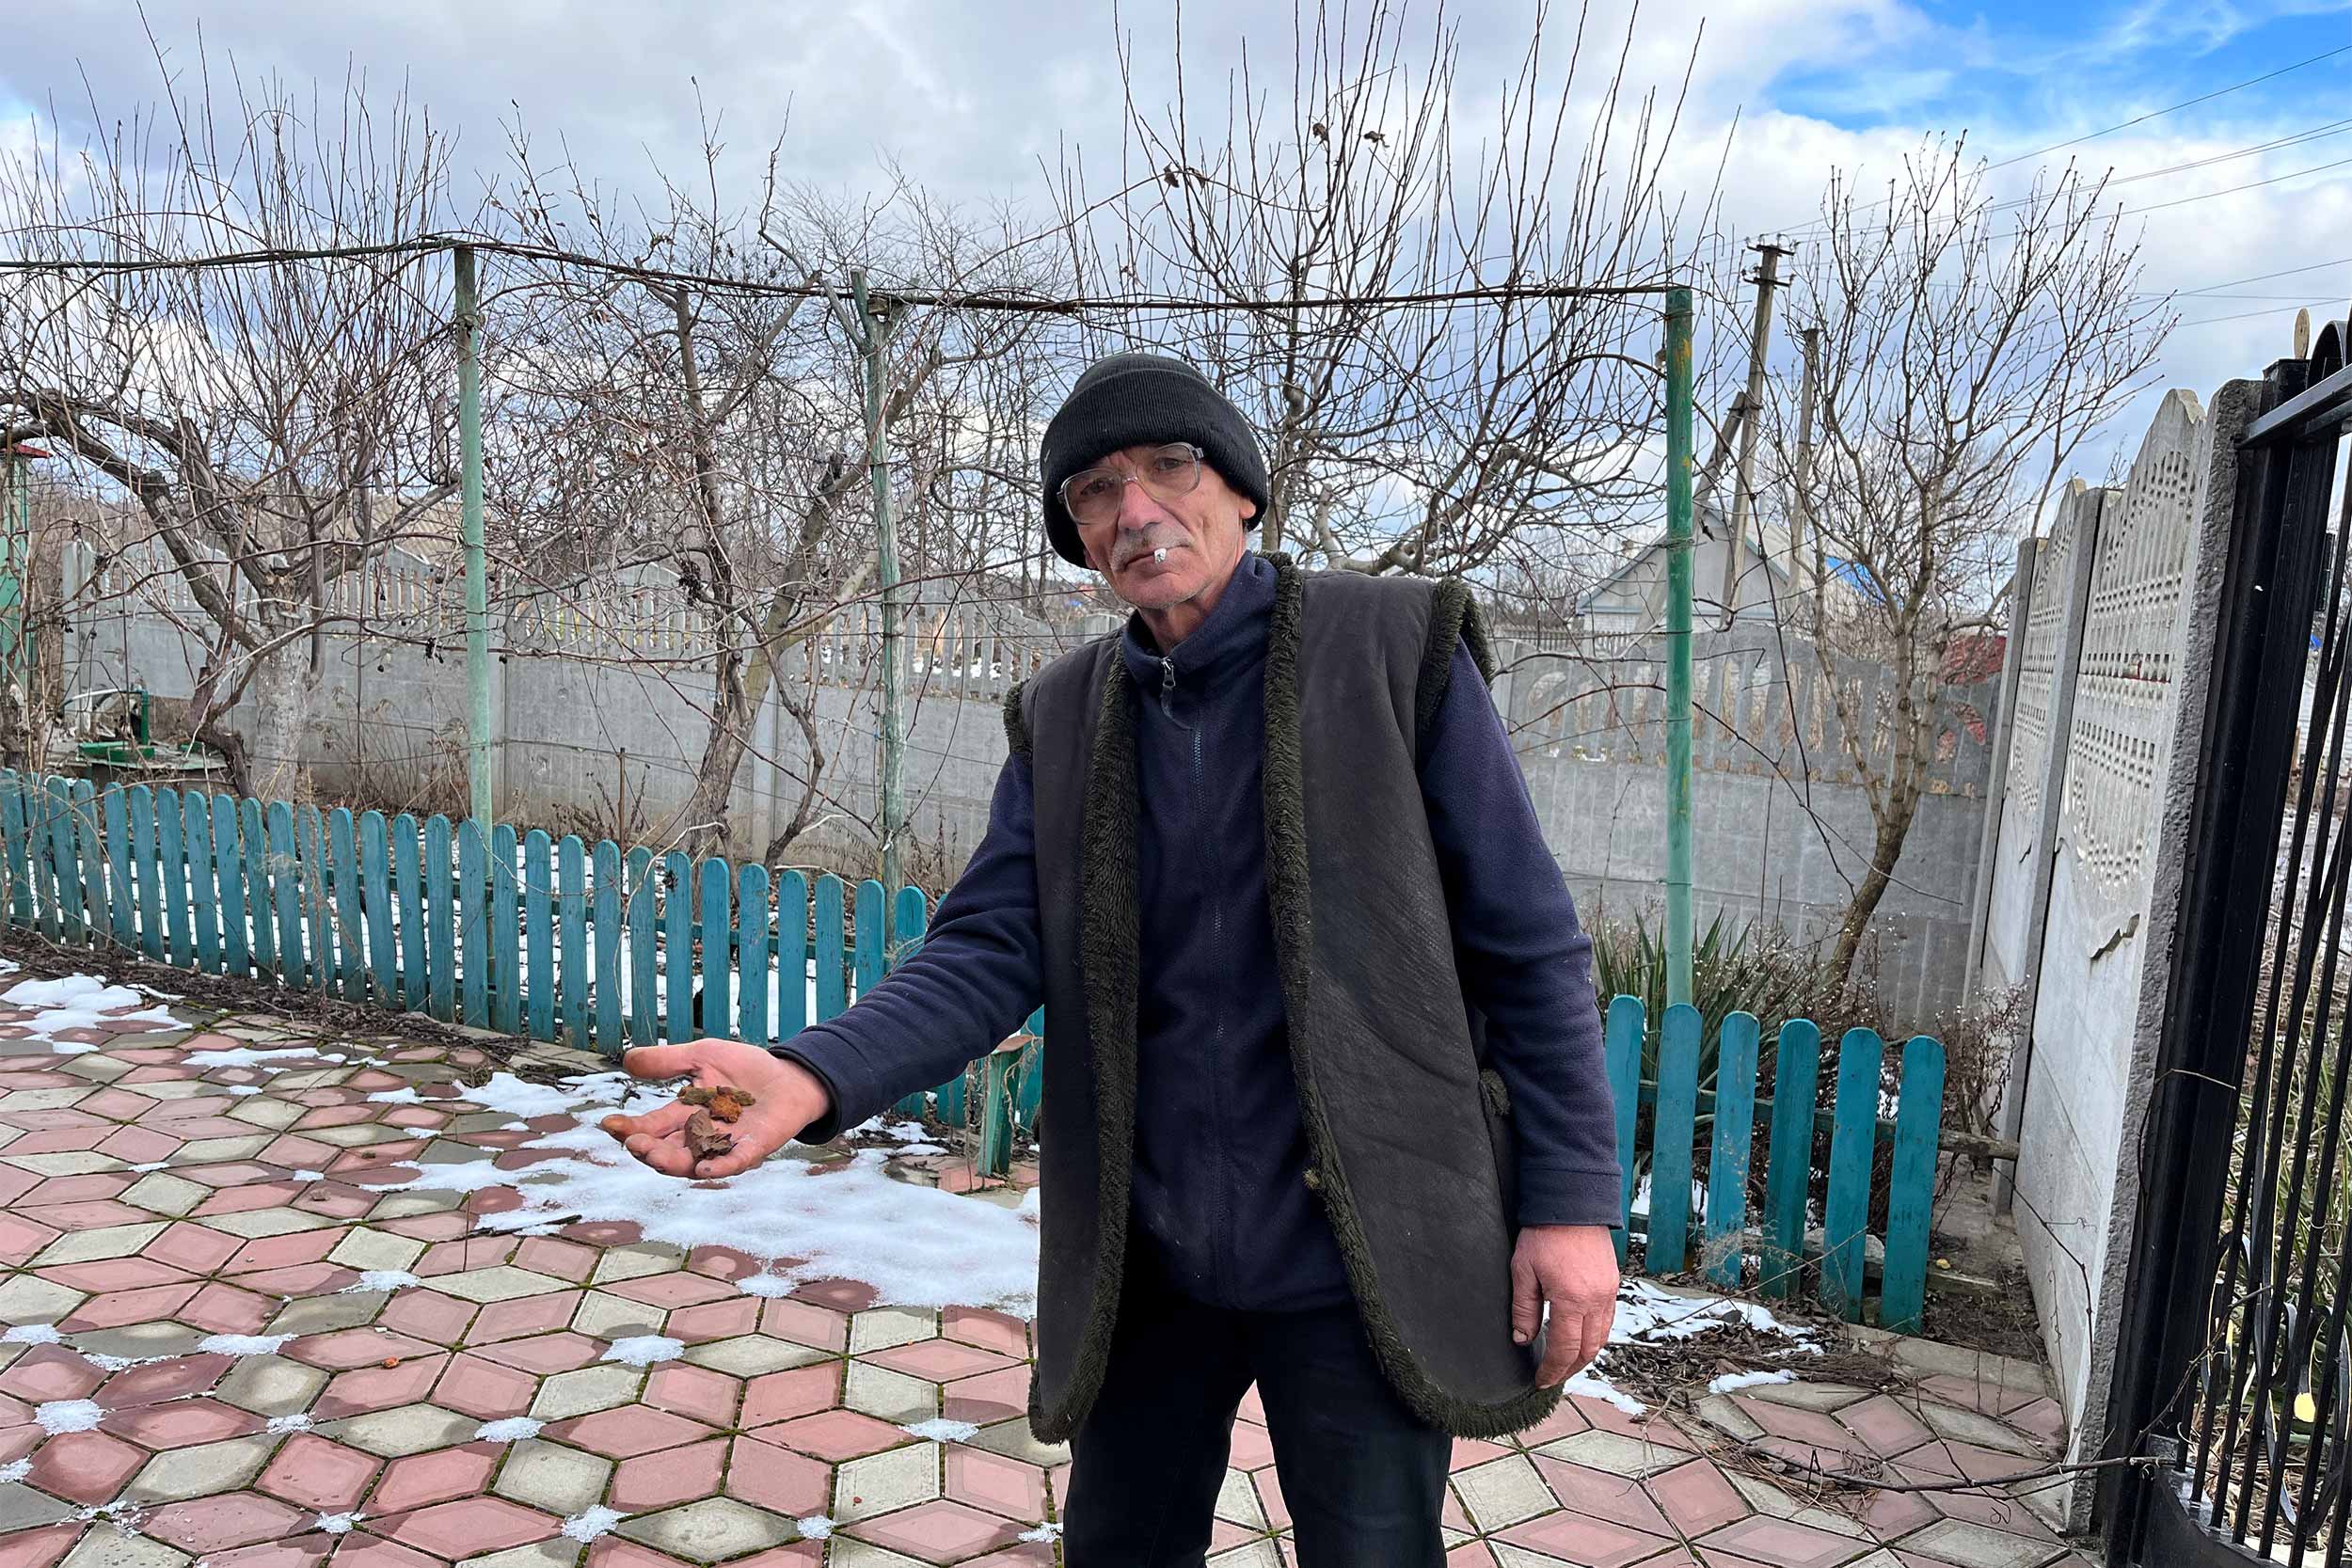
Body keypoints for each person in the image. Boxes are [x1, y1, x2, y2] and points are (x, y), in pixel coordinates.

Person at [604, 352, 1622, 1566]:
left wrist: (1568, 1206)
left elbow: (1528, 940)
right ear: (1080, 540)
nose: (1136, 509)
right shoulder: (1066, 712)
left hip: (1358, 1251)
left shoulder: (1389, 648)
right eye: (1093, 490)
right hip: (1151, 1255)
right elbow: (988, 947)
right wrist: (814, 1073)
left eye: (1169, 467)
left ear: (1240, 490)